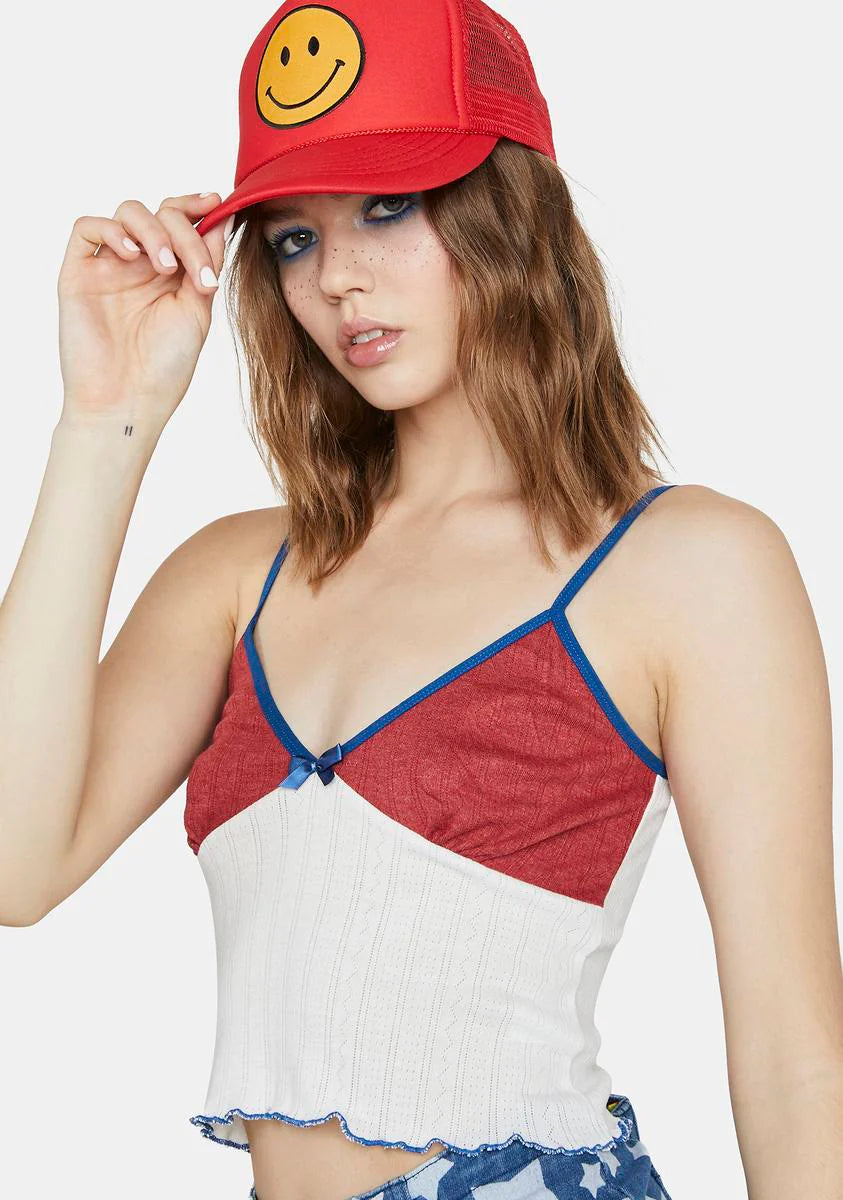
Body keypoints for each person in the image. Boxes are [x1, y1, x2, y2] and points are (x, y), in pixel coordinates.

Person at [1, 0, 841, 1198]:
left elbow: (796, 1066)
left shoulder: (690, 565)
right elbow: (14, 867)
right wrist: (102, 422)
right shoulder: (236, 576)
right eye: (294, 237)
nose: (337, 277)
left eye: (389, 208)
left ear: (511, 212)